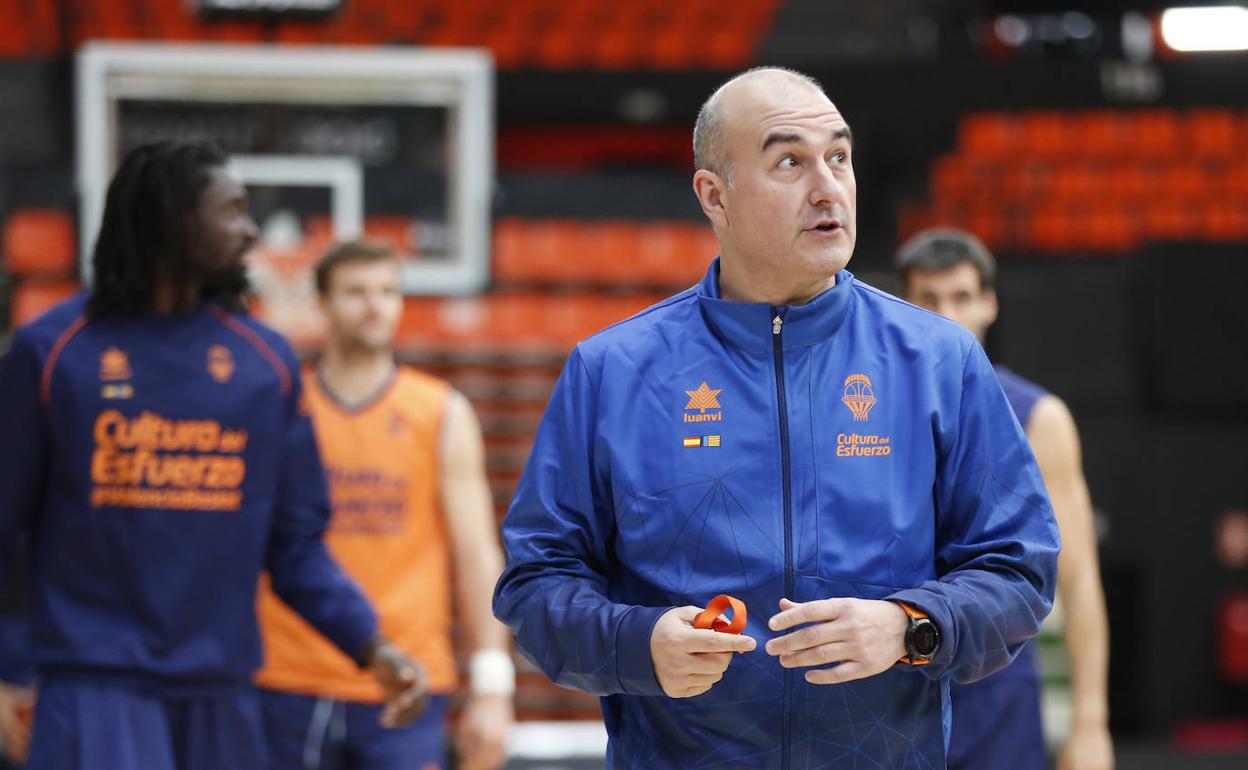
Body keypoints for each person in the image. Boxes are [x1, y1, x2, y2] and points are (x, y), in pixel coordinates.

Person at [492, 67, 1060, 768]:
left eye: (839, 157)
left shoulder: (940, 361)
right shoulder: (614, 371)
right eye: (789, 161)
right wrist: (638, 646)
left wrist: (910, 627)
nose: (828, 186)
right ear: (715, 196)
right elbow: (535, 582)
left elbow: (1019, 568)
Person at [0, 141, 427, 770]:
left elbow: (297, 544)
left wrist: (370, 644)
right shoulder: (53, 353)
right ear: (171, 218)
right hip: (93, 685)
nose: (251, 230)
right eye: (231, 210)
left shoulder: (266, 364)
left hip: (221, 690)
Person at [254, 241, 513, 770]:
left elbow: (477, 556)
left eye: (388, 292)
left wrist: (492, 685)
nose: (375, 306)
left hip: (408, 678)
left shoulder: (440, 412)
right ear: (321, 302)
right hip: (286, 676)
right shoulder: (285, 405)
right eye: (356, 292)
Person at [896, 228, 1113, 770]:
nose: (947, 314)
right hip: (892, 676)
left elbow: (1080, 579)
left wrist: (1090, 722)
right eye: (930, 298)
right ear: (903, 305)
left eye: (962, 296)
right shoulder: (868, 409)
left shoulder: (1039, 418)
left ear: (990, 303)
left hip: (996, 682)